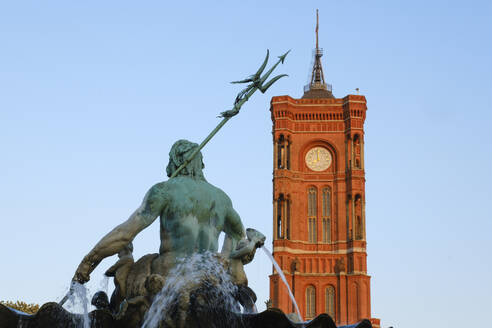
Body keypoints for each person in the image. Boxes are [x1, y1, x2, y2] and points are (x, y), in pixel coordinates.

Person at [72, 139, 245, 284]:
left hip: (170, 278)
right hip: (210, 280)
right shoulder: (222, 199)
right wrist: (223, 258)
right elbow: (238, 233)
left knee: (130, 275)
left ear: (177, 161)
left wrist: (89, 260)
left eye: (170, 160)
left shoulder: (164, 190)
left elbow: (125, 234)